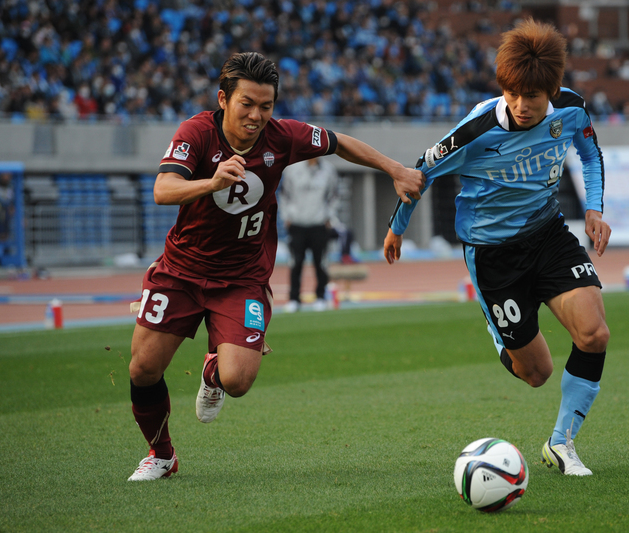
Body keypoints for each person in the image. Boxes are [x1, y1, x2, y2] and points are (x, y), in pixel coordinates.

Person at [127, 52, 424, 481]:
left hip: (242, 277)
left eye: (266, 106)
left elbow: (339, 141)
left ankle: (213, 369)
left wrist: (395, 169)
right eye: (247, 103)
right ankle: (161, 455)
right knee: (143, 369)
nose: (256, 115)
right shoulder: (196, 132)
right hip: (181, 271)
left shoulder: (283, 137)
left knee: (237, 381)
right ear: (223, 99)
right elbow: (163, 188)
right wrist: (212, 181)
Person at [384, 19, 610, 476]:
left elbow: (589, 153)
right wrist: (397, 228)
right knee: (536, 373)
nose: (521, 105)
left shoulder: (571, 109)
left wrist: (594, 209)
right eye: (512, 94)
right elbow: (419, 175)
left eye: (533, 96)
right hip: (492, 256)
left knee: (594, 334)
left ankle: (562, 443)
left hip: (547, 233)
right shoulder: (475, 131)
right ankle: (497, 327)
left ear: (553, 90)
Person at [280, 157, 339, 312]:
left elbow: (334, 195)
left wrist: (329, 217)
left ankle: (320, 297)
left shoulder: (329, 170)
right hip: (297, 223)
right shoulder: (292, 169)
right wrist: (286, 217)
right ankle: (294, 299)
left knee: (321, 263)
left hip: (319, 223)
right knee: (295, 263)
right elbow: (284, 194)